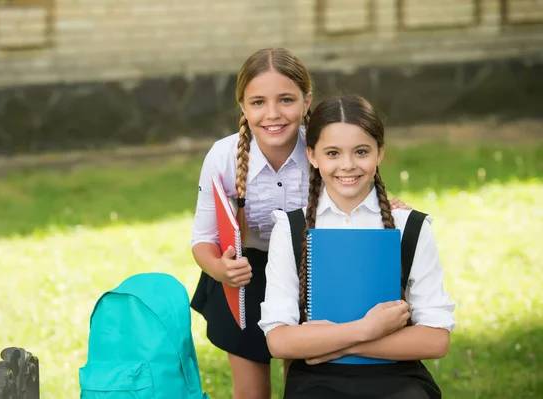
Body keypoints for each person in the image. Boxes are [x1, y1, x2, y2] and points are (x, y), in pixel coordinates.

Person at [190, 49, 409, 399]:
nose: (273, 114)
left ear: (307, 101)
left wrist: (392, 210)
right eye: (258, 102)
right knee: (250, 392)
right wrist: (219, 269)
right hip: (243, 275)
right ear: (243, 107)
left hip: (309, 267)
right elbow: (202, 238)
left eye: (286, 100)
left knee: (306, 380)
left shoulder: (323, 148)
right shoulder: (223, 156)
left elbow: (359, 193)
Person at [258, 94, 456, 398]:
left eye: (361, 151)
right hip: (317, 380)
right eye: (333, 153)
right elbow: (280, 342)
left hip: (398, 377)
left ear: (380, 153)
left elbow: (436, 340)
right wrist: (365, 328)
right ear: (312, 155)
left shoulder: (410, 227)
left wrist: (337, 343)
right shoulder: (291, 229)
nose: (347, 165)